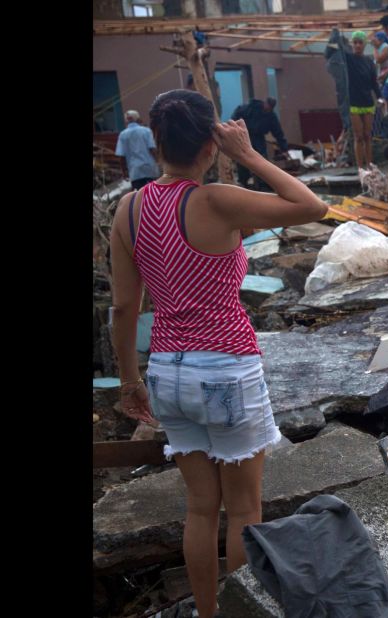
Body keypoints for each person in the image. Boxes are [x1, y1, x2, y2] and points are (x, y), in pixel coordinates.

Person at [109, 89, 328, 618]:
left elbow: (122, 307)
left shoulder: (129, 208)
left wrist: (128, 382)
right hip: (226, 367)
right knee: (245, 510)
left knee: (201, 509)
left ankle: (208, 614)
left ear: (155, 142)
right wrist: (249, 154)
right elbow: (313, 207)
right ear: (212, 141)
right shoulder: (216, 199)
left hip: (166, 371)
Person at [230, 97, 289, 191]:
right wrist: (235, 130)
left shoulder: (271, 116)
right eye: (267, 107)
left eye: (270, 109)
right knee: (243, 159)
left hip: (259, 138)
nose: (267, 109)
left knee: (261, 159)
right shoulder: (251, 108)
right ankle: (243, 181)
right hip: (246, 135)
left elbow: (278, 133)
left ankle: (262, 183)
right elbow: (236, 116)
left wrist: (284, 148)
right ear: (265, 103)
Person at [347, 30, 383, 167]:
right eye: (355, 42)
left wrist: (380, 97)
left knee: (368, 136)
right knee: (358, 136)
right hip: (353, 103)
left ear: (364, 44)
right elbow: (335, 52)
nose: (357, 45)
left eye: (360, 42)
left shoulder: (369, 62)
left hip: (368, 102)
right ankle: (360, 167)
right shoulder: (348, 59)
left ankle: (369, 164)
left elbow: (374, 83)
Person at [115, 110, 160, 190]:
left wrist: (124, 172)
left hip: (135, 172)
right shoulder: (146, 131)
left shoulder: (123, 135)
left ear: (126, 121)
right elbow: (152, 149)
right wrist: (158, 162)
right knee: (154, 193)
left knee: (140, 196)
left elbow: (122, 157)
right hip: (150, 169)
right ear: (138, 119)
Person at [371, 31, 388, 139]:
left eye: (376, 39)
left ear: (382, 39)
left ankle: (385, 132)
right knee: (380, 106)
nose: (374, 41)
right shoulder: (379, 48)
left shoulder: (385, 46)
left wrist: (374, 48)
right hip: (380, 82)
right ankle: (379, 132)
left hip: (387, 81)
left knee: (384, 106)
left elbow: (379, 60)